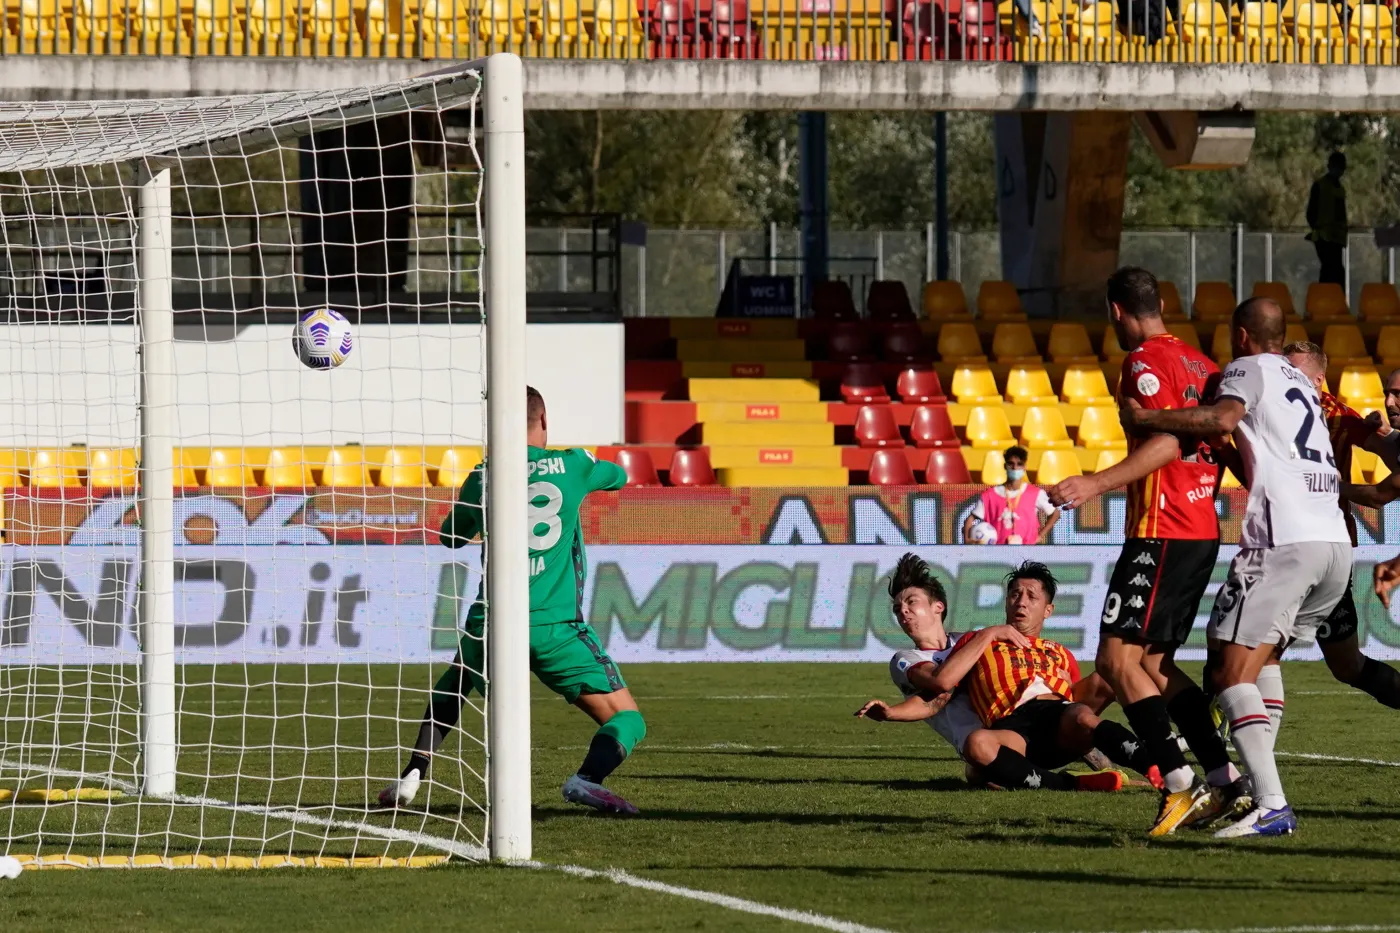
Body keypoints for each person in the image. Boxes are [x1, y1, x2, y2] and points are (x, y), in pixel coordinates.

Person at [1122, 297, 1352, 838]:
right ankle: (1256, 789)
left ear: (1243, 334)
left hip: (1284, 542)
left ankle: (1268, 802)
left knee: (1226, 668)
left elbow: (1224, 416)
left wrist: (1147, 416)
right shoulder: (1303, 387)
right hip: (1334, 543)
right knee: (1260, 657)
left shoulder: (1246, 370)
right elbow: (1255, 448)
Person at [379, 386, 646, 815]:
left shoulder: (483, 476)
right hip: (554, 627)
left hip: (493, 621)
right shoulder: (576, 464)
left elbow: (450, 538)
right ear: (544, 421)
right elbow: (619, 477)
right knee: (628, 718)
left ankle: (413, 773)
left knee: (455, 682)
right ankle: (587, 779)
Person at [1047, 266, 1242, 837]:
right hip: (1203, 525)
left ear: (1115, 312)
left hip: (1163, 526)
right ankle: (1224, 778)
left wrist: (1094, 483)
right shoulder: (1203, 364)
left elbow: (1167, 441)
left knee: (1115, 662)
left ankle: (1179, 786)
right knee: (1153, 665)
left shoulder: (1142, 362)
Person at [853, 554, 1123, 789]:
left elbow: (1028, 666)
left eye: (911, 602)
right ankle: (1073, 781)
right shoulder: (906, 658)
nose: (904, 612)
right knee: (980, 773)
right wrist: (891, 713)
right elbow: (937, 692)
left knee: (1103, 683)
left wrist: (1059, 680)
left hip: (1027, 723)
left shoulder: (973, 641)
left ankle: (1135, 760)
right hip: (992, 743)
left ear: (938, 607)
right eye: (898, 609)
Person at [916, 561, 1160, 793]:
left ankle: (1161, 768)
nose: (1021, 602)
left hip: (1057, 721)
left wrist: (1067, 691)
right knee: (977, 744)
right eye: (1014, 595)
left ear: (1048, 610)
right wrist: (988, 635)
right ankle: (1070, 784)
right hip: (1011, 731)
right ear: (1006, 603)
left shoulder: (1059, 652)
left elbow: (1073, 696)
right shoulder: (979, 641)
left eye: (1031, 596)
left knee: (1083, 714)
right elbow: (943, 683)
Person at [1271, 342, 1400, 717]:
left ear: (1318, 378)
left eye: (1294, 373)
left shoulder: (1337, 417)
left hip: (1321, 548)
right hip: (1293, 543)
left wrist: (1318, 482)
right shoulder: (1269, 409)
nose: (1390, 401)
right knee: (1347, 666)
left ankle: (1214, 732)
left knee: (1251, 648)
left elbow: (1381, 490)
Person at [962, 446, 1060, 545]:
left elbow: (1055, 513)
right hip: (998, 552)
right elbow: (970, 519)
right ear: (1005, 466)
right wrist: (967, 540)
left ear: (1025, 467)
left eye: (1019, 464)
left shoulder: (1035, 493)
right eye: (1011, 464)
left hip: (1027, 550)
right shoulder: (989, 495)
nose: (1015, 468)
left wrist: (1040, 536)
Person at [1306, 151, 1348, 286]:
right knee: (1331, 270)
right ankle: (1326, 299)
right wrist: (1318, 228)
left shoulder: (1340, 189)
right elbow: (1311, 212)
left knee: (1334, 271)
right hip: (1324, 236)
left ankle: (1331, 299)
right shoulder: (1320, 185)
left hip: (1337, 237)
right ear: (1329, 166)